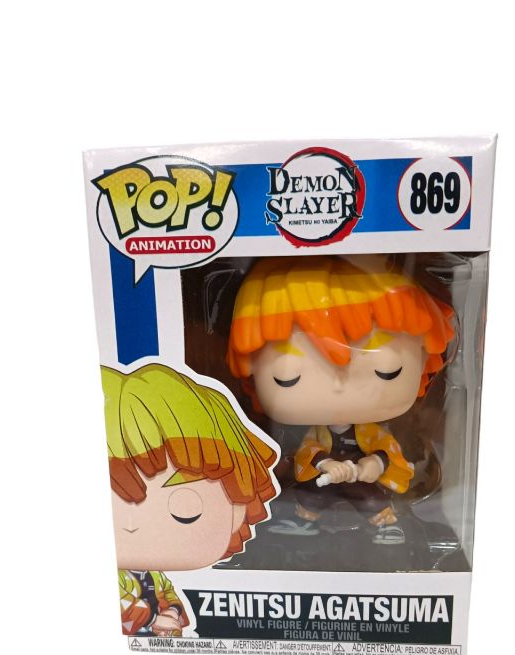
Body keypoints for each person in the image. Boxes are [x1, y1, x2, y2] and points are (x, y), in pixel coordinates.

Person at [227, 254, 454, 535]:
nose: (337, 386)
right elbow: (306, 453)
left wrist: (375, 463)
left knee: (370, 497)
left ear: (424, 357)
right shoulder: (310, 435)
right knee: (311, 495)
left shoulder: (376, 433)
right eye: (288, 377)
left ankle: (385, 524)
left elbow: (389, 451)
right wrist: (326, 463)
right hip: (324, 477)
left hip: (364, 479)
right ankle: (304, 519)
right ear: (250, 368)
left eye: (387, 370)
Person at [103, 364, 278, 635]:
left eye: (185, 512)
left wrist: (172, 612)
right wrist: (153, 620)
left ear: (238, 508)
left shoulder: (154, 575)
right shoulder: (118, 577)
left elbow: (169, 595)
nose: (130, 524)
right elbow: (121, 606)